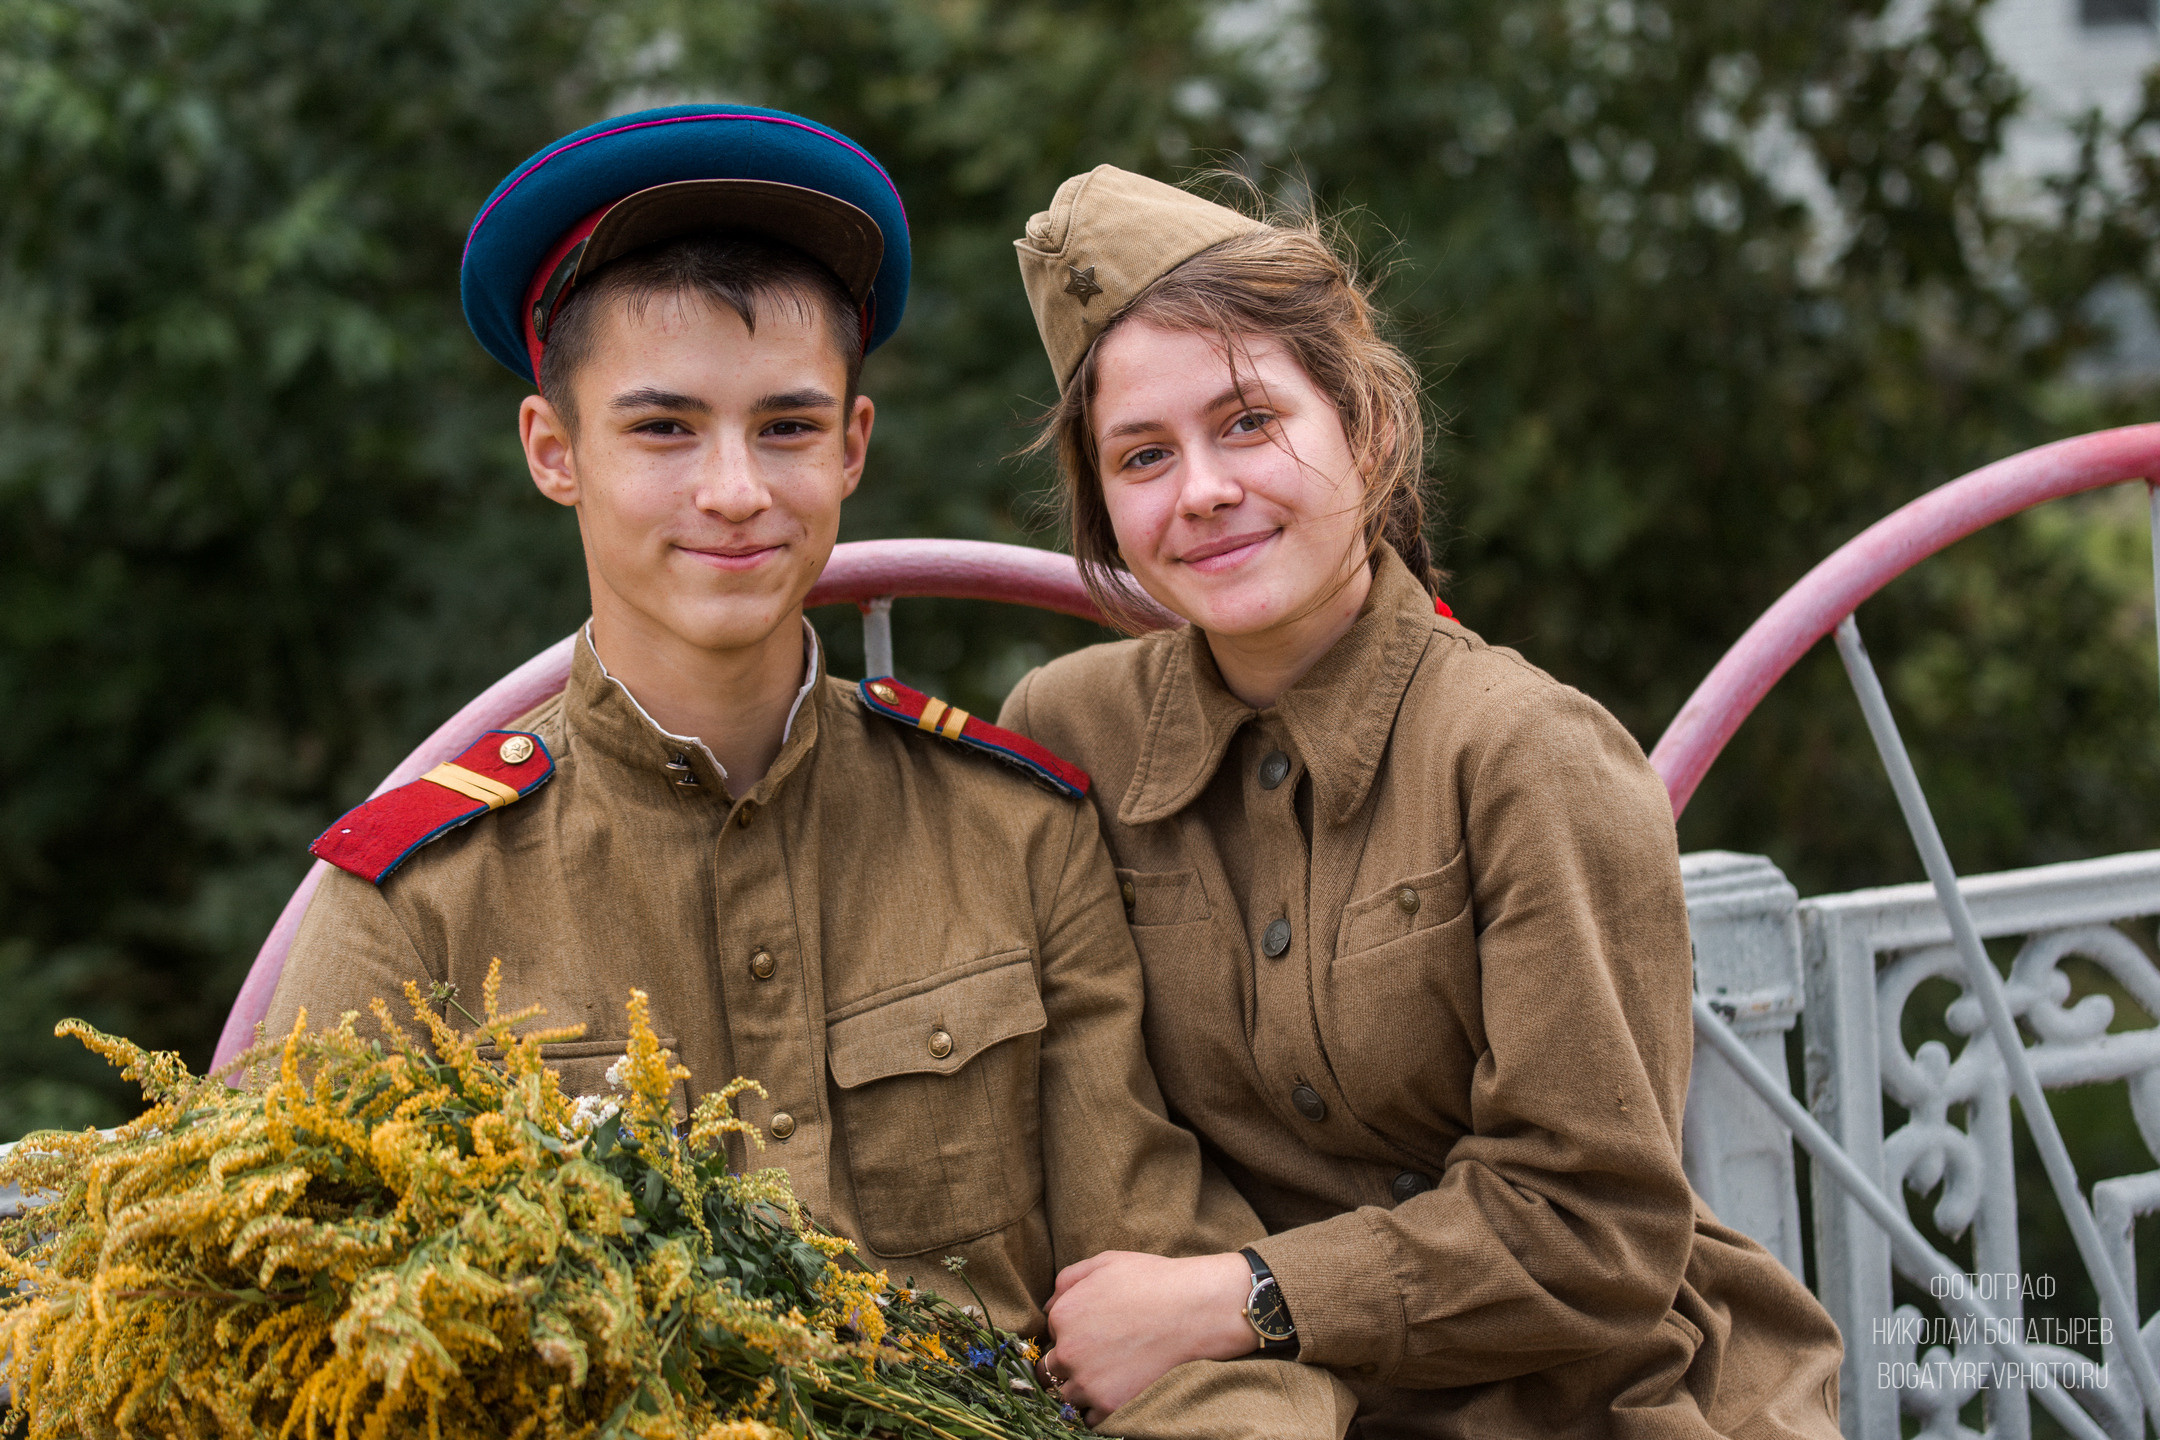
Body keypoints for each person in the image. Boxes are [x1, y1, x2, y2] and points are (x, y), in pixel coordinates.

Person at [264, 110, 1352, 1440]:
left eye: (785, 427)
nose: (734, 490)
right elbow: (269, 1347)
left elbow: (1163, 1303)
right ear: (555, 452)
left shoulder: (1014, 832)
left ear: (851, 446)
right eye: (663, 430)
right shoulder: (416, 901)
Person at [997, 165, 1847, 1438]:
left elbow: (1599, 1232)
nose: (1202, 491)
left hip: (1596, 1407)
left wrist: (1244, 1299)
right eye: (1142, 456)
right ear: (1107, 513)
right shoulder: (1067, 735)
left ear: (1369, 426)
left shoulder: (1527, 758)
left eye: (1247, 422)